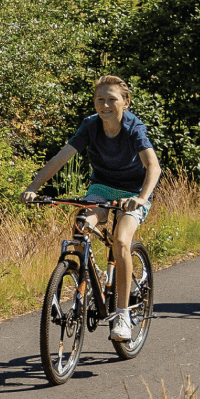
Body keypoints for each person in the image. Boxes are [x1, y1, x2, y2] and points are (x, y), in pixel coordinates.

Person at [19, 75, 162, 343]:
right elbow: (61, 158)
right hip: (102, 188)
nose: (105, 105)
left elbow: (153, 167)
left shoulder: (133, 128)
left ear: (125, 102)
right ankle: (86, 274)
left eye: (112, 99)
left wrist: (141, 198)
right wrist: (34, 186)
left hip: (133, 192)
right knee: (83, 222)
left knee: (121, 239)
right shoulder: (90, 126)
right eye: (100, 99)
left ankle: (121, 315)